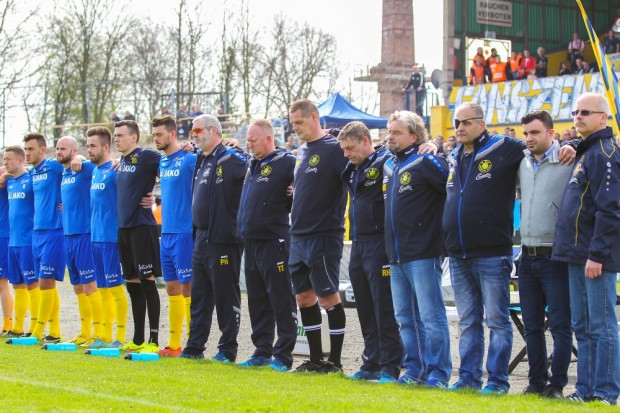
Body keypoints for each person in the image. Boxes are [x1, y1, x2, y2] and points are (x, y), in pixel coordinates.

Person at [443, 103, 575, 394]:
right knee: (469, 321)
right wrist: (428, 144)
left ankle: (500, 381)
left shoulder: (507, 148)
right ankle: (468, 378)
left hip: (496, 252)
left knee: (499, 320)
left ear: (481, 124)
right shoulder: (454, 156)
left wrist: (573, 143)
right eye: (456, 123)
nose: (460, 128)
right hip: (459, 253)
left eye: (466, 122)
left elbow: (547, 143)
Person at [552, 92, 620, 405]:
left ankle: (606, 392)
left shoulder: (605, 153)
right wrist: (572, 144)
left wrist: (598, 254)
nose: (578, 117)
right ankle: (585, 389)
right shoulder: (587, 149)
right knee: (582, 326)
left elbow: (611, 210)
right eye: (576, 111)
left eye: (586, 112)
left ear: (603, 118)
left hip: (595, 257)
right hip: (576, 253)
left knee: (602, 326)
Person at [382, 112, 451, 386]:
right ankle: (414, 370)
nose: (390, 137)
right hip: (395, 255)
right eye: (389, 132)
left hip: (423, 252)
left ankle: (438, 374)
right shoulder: (389, 165)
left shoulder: (425, 160)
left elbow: (451, 182)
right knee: (405, 319)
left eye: (396, 132)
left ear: (414, 136)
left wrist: (435, 148)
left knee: (431, 317)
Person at [337, 121, 402, 382]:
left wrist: (429, 144)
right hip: (358, 243)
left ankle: (390, 365)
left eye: (350, 148)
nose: (346, 153)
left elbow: (406, 153)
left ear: (366, 140)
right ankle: (371, 361)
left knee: (383, 307)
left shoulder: (386, 160)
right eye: (343, 149)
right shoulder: (352, 168)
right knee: (363, 305)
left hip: (379, 243)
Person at [179, 114, 247, 361]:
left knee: (225, 294)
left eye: (197, 130)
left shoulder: (230, 157)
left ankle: (227, 349)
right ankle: (195, 347)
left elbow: (255, 169)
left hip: (223, 238)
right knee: (200, 295)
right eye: (192, 132)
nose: (193, 135)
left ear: (213, 130)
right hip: (201, 237)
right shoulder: (202, 158)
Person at [288, 99, 348, 373]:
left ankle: (334, 361)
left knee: (328, 297)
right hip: (297, 235)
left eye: (299, 122)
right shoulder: (301, 150)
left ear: (314, 117)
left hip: (323, 234)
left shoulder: (335, 148)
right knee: (304, 297)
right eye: (292, 124)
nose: (295, 128)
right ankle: (314, 359)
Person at [517, 110, 573, 399]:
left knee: (561, 325)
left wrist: (573, 146)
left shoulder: (568, 160)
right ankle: (536, 382)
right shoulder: (522, 163)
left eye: (536, 132)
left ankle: (556, 385)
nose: (529, 138)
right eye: (526, 133)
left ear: (552, 133)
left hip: (555, 256)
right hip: (527, 256)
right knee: (533, 326)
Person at [236, 119, 298, 371]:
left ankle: (283, 355)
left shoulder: (286, 162)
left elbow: (306, 181)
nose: (248, 144)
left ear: (268, 139)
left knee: (281, 297)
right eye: (247, 140)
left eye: (252, 140)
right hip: (251, 241)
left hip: (275, 240)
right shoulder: (252, 164)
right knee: (257, 299)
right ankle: (262, 350)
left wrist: (296, 189)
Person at [114, 120, 162, 353]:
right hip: (123, 229)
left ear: (133, 137)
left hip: (143, 227)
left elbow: (170, 164)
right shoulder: (121, 161)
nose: (116, 138)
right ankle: (138, 339)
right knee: (132, 283)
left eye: (121, 135)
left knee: (147, 281)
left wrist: (154, 197)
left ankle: (153, 341)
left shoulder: (147, 156)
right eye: (115, 135)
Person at [152, 115, 196, 357]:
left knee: (188, 287)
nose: (156, 139)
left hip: (185, 233)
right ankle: (174, 345)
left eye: (159, 134)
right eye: (154, 135)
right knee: (171, 288)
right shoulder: (162, 163)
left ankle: (192, 343)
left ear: (172, 134)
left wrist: (194, 147)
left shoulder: (189, 160)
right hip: (166, 234)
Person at [56, 136, 103, 347]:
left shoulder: (84, 168)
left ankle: (99, 333)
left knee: (90, 285)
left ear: (74, 151)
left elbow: (103, 167)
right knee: (77, 288)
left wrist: (83, 158)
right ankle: (85, 332)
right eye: (56, 148)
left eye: (63, 148)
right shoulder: (64, 173)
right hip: (68, 236)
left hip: (85, 234)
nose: (58, 151)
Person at [86, 126, 129, 349]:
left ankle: (119, 338)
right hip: (95, 238)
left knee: (114, 288)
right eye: (87, 145)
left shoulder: (116, 169)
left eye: (93, 146)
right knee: (101, 288)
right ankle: (103, 335)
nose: (89, 149)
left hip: (111, 238)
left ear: (105, 147)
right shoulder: (94, 171)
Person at [24, 132, 66, 344]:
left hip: (55, 231)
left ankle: (37, 332)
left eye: (31, 149)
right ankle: (55, 332)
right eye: (26, 149)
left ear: (43, 148)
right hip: (36, 233)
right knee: (47, 283)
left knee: (45, 281)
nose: (27, 153)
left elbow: (80, 168)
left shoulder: (54, 166)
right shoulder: (31, 172)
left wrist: (78, 158)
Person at [2, 146, 38, 338]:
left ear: (20, 160)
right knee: (17, 285)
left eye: (8, 159)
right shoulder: (9, 182)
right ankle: (17, 328)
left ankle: (34, 328)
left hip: (28, 240)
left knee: (32, 284)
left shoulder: (31, 179)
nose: (5, 162)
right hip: (13, 242)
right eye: (4, 159)